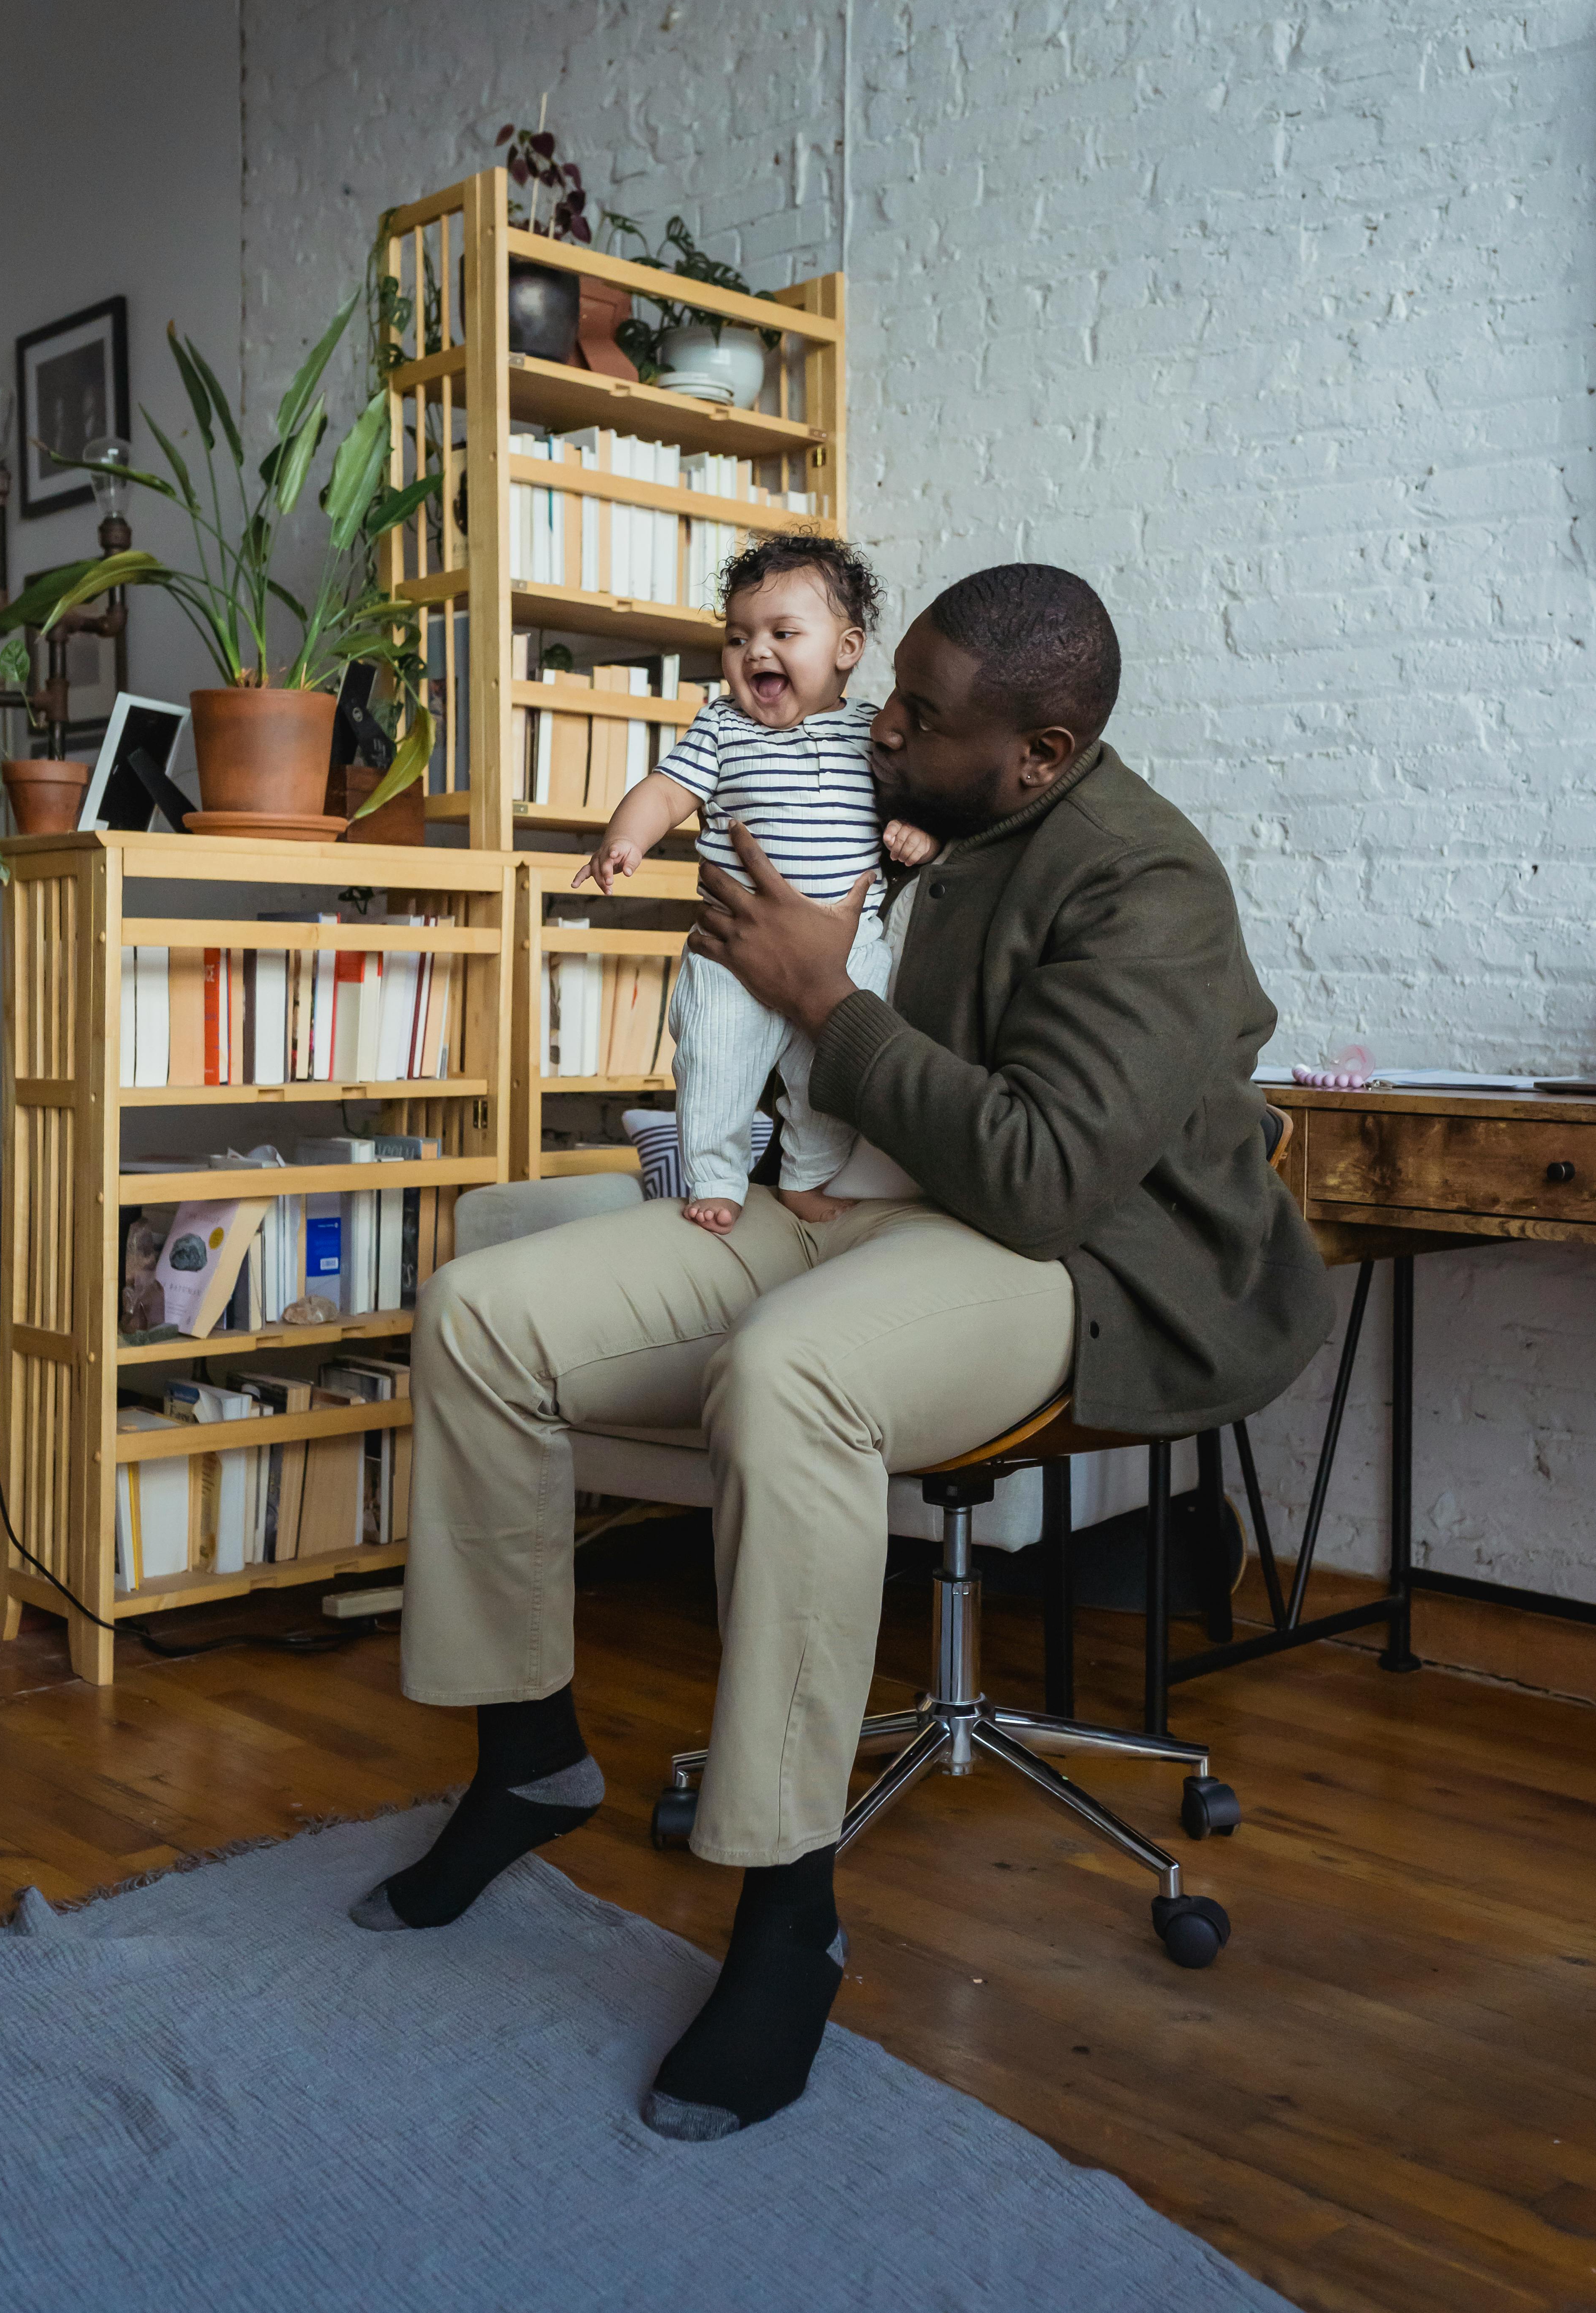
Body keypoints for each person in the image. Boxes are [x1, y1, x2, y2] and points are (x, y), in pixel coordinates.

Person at [353, 561, 1333, 2148]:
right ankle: (525, 1757)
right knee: (484, 1307)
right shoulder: (869, 778)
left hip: (1057, 1259)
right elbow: (742, 810)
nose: (884, 724)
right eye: (893, 691)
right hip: (844, 1191)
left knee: (788, 1371)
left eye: (923, 716)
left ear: (1041, 752)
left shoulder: (1145, 884)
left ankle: (786, 1909)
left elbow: (1035, 1175)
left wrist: (815, 990)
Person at [573, 533, 936, 1234]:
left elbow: (913, 797)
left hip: (846, 947)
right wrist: (625, 838)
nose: (755, 652)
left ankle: (805, 1176)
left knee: (828, 1074)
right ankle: (714, 1174)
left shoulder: (869, 732)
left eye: (783, 633)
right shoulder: (721, 728)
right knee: (713, 1058)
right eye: (737, 638)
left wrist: (916, 831)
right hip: (729, 955)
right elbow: (664, 789)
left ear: (847, 649)